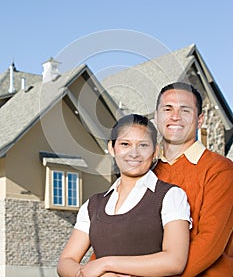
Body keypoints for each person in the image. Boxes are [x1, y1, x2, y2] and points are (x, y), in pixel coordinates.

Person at [57, 114, 192, 277]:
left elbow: (174, 262)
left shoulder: (171, 196)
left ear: (155, 151)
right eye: (125, 144)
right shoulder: (93, 205)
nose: (134, 153)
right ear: (112, 148)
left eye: (143, 145)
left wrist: (106, 264)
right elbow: (66, 260)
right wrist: (84, 274)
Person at [154, 81, 233, 276]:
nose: (175, 116)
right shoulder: (146, 173)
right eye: (168, 109)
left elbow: (210, 243)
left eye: (185, 110)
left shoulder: (220, 170)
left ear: (200, 120)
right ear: (156, 118)